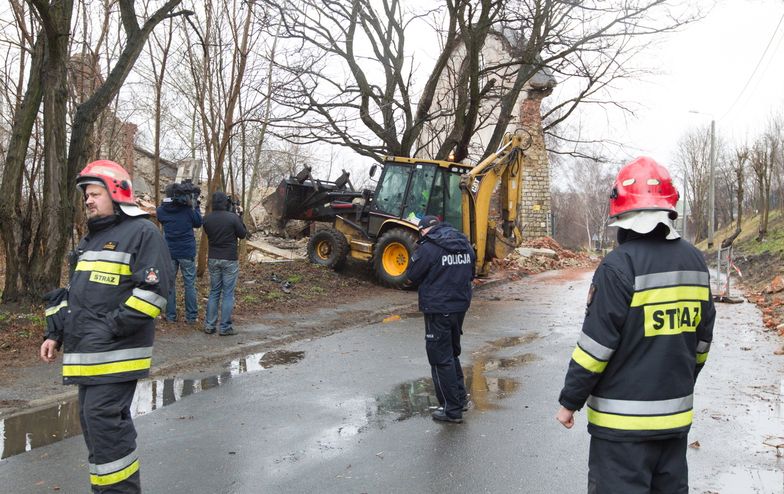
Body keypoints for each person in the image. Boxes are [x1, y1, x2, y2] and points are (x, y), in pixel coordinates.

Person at [555, 157, 716, 493]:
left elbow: (595, 348)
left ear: (622, 217)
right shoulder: (695, 261)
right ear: (669, 210)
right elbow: (701, 343)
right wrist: (676, 381)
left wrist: (570, 400)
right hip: (674, 423)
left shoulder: (618, 266)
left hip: (620, 431)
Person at [40, 160, 172, 493]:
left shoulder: (143, 233)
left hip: (115, 354)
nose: (88, 200)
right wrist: (55, 333)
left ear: (117, 193)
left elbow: (153, 293)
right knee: (96, 428)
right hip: (89, 355)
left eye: (95, 193)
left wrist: (109, 328)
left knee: (105, 427)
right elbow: (78, 295)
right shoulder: (92, 240)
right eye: (86, 195)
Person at [405, 214, 476, 424]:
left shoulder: (429, 247)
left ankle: (451, 408)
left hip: (438, 308)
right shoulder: (464, 244)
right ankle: (460, 398)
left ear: (424, 230)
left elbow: (412, 274)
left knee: (439, 358)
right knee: (451, 353)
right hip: (459, 306)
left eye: (420, 232)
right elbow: (471, 273)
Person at [156, 182, 203, 323]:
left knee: (170, 284)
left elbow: (161, 217)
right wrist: (195, 205)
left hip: (169, 251)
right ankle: (191, 317)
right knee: (189, 284)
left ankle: (170, 316)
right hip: (186, 251)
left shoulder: (162, 210)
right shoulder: (188, 210)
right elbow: (198, 222)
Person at [202, 191, 247, 336]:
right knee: (228, 293)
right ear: (225, 203)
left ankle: (209, 325)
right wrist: (239, 217)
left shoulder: (207, 219)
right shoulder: (232, 218)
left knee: (214, 292)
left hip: (213, 258)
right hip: (229, 259)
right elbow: (242, 234)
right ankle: (225, 327)